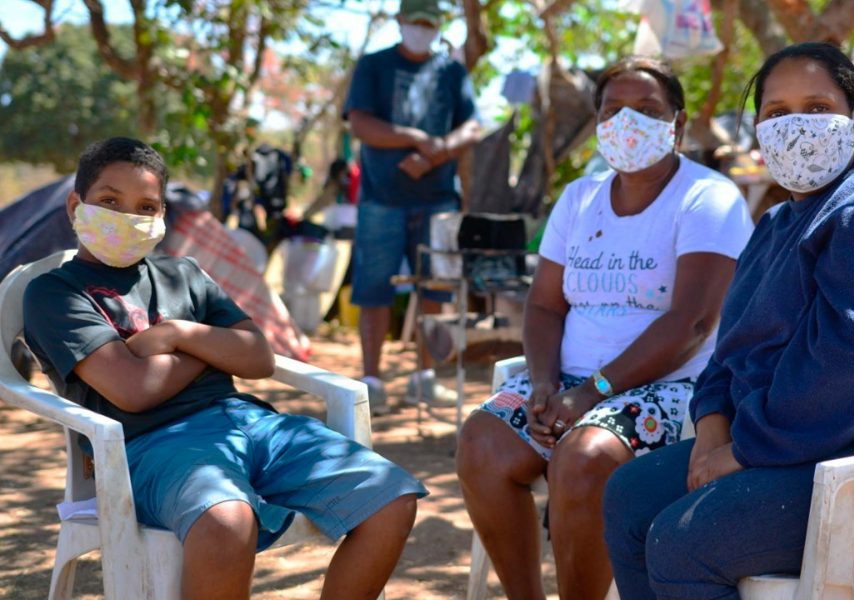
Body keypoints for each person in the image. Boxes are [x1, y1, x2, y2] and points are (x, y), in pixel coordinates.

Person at [602, 42, 854, 600]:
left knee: (684, 540)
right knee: (629, 495)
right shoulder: (772, 227)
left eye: (817, 108)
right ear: (759, 129)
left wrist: (740, 453)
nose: (797, 127)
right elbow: (729, 352)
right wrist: (710, 432)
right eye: (777, 113)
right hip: (814, 453)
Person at [22, 137, 428, 600]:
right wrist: (215, 347)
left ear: (160, 218)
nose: (126, 217)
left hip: (249, 424)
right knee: (226, 522)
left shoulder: (185, 275)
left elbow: (259, 357)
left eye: (145, 207)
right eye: (109, 201)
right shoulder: (56, 293)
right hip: (151, 444)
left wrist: (179, 334)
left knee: (391, 499)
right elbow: (135, 390)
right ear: (77, 205)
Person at [456, 56, 755, 599]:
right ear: (597, 122)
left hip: (670, 387)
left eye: (647, 110)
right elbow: (545, 307)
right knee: (481, 442)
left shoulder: (708, 198)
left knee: (585, 458)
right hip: (568, 380)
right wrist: (547, 385)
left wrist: (589, 394)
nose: (628, 123)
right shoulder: (580, 198)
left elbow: (692, 323)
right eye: (613, 109)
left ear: (678, 124)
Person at [344, 0, 480, 415]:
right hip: (381, 198)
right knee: (373, 289)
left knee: (434, 288)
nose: (421, 28)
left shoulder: (452, 71)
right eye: (415, 21)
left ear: (438, 26)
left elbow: (472, 126)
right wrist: (415, 138)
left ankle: (423, 378)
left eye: (429, 22)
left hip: (438, 197)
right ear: (400, 21)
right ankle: (371, 381)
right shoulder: (373, 65)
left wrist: (433, 154)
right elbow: (360, 124)